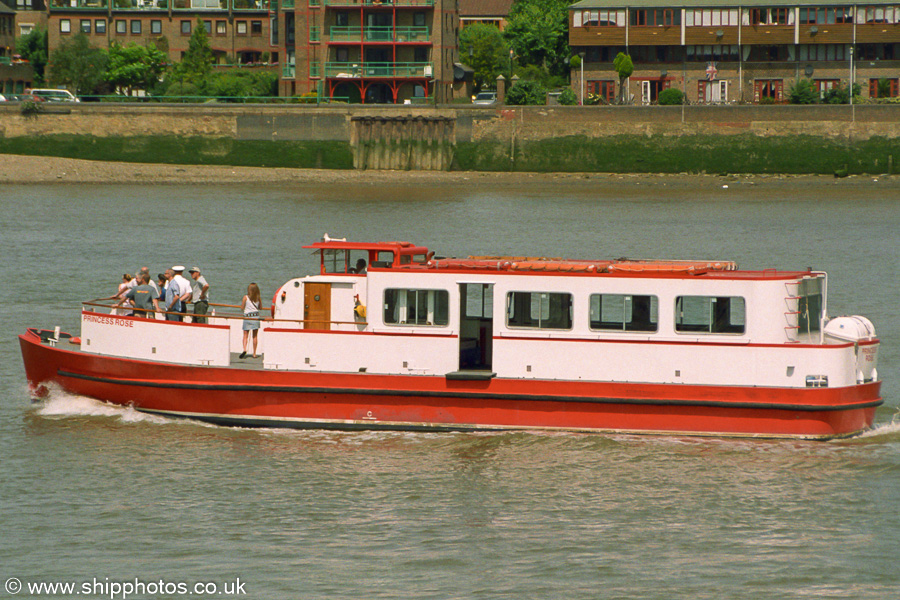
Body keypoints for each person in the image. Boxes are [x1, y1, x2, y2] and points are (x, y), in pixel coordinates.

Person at [240, 283, 261, 358]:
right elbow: (260, 307)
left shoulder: (245, 297)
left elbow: (242, 307)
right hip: (255, 317)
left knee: (245, 335)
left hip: (247, 317)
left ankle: (245, 349)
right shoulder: (258, 298)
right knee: (255, 336)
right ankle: (254, 353)